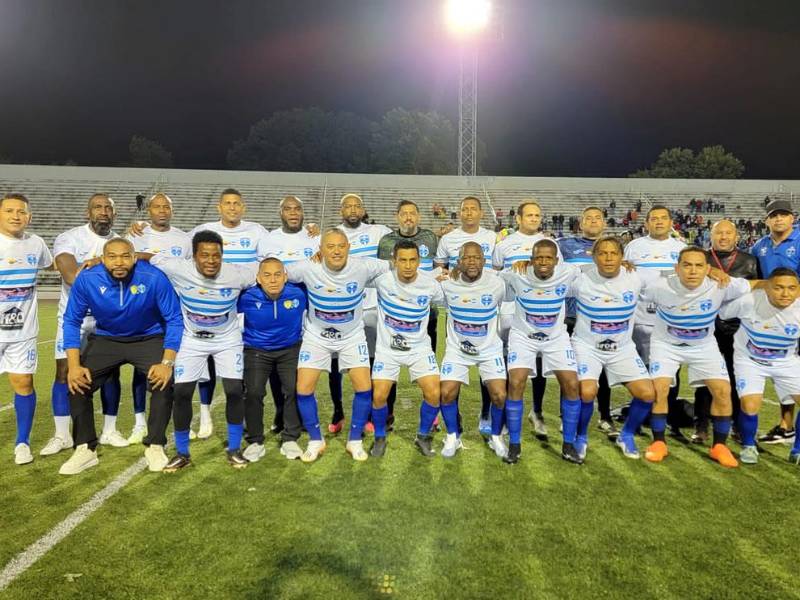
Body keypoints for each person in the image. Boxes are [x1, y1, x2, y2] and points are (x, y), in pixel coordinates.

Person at [59, 238, 183, 475]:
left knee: (164, 382)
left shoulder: (154, 277)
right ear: (102, 259)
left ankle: (155, 445)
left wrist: (167, 363)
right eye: (112, 257)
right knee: (77, 382)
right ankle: (85, 448)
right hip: (107, 338)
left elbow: (174, 319)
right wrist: (74, 366)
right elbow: (71, 320)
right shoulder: (87, 279)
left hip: (148, 337)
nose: (119, 262)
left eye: (125, 256)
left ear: (134, 258)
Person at [142, 230, 257, 471]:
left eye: (216, 255)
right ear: (194, 256)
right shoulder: (178, 268)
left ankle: (234, 449)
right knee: (182, 393)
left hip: (227, 339)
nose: (211, 260)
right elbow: (146, 256)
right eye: (204, 255)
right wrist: (100, 259)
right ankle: (182, 453)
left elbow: (272, 270)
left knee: (234, 390)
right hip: (191, 339)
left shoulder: (238, 274)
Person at [644, 247, 759, 467]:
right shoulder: (659, 286)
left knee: (722, 391)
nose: (693, 271)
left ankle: (719, 447)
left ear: (708, 269)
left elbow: (754, 285)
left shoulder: (721, 284)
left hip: (703, 345)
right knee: (659, 389)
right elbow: (628, 285)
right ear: (677, 268)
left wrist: (779, 285)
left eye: (699, 266)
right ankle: (658, 443)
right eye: (687, 265)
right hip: (666, 345)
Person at [285, 228, 390, 462]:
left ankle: (354, 440)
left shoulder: (363, 265)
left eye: (341, 246)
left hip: (352, 336)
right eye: (330, 246)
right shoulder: (307, 267)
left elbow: (395, 265)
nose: (336, 251)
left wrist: (437, 272)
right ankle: (315, 440)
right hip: (317, 336)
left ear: (349, 248)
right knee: (303, 388)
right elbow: (276, 272)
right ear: (320, 249)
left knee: (364, 388)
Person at [43, 193, 125, 458]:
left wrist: (99, 261)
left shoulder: (120, 242)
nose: (103, 211)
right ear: (87, 213)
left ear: (114, 214)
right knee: (64, 370)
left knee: (111, 372)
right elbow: (71, 275)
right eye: (97, 207)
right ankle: (62, 434)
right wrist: (108, 264)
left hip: (105, 318)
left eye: (108, 208)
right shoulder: (69, 238)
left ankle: (110, 430)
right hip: (73, 317)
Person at [570, 236, 656, 460]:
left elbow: (673, 277)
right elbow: (548, 275)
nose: (608, 258)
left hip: (622, 348)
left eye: (613, 253)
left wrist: (712, 271)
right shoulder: (579, 279)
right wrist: (526, 264)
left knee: (647, 394)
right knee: (587, 392)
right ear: (593, 257)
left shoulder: (635, 276)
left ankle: (626, 435)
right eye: (602, 253)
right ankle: (581, 437)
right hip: (587, 346)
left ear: (622, 257)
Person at [503, 239, 583, 464]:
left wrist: (623, 265)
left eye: (548, 258)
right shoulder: (517, 274)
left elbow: (596, 270)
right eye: (539, 258)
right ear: (531, 260)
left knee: (572, 384)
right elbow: (490, 277)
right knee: (516, 382)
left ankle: (568, 444)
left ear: (557, 261)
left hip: (556, 337)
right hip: (523, 336)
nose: (544, 262)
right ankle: (514, 444)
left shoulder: (569, 272)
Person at [125, 192, 191, 444]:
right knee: (141, 368)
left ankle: (176, 421)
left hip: (174, 310)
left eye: (166, 207)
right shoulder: (135, 235)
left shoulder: (184, 239)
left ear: (171, 211)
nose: (162, 210)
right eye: (157, 207)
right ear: (149, 210)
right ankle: (139, 422)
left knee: (175, 366)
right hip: (143, 310)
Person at [492, 200, 560, 441]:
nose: (534, 219)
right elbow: (497, 274)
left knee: (539, 359)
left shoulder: (551, 244)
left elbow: (557, 273)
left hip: (539, 309)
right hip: (510, 309)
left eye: (537, 215)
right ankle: (507, 415)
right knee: (510, 363)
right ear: (518, 218)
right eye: (529, 215)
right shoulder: (504, 244)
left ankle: (537, 411)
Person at [719, 268, 800, 465]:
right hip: (750, 361)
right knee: (750, 405)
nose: (785, 293)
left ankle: (797, 450)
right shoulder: (749, 301)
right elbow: (723, 313)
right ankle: (748, 446)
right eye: (778, 288)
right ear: (767, 288)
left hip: (786, 361)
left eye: (791, 288)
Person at [369, 240, 443, 458]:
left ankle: (423, 436)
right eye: (403, 260)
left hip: (419, 348)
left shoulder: (431, 285)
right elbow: (353, 272)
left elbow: (452, 298)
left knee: (434, 393)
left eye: (413, 260)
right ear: (394, 261)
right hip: (387, 350)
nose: (408, 265)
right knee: (379, 395)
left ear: (419, 261)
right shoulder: (382, 280)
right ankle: (379, 438)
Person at [439, 242, 508, 461]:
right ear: (458, 261)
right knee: (446, 393)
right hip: (457, 350)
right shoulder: (447, 285)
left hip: (489, 349)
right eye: (467, 258)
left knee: (500, 395)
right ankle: (452, 436)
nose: (472, 262)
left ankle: (496, 436)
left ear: (484, 261)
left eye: (476, 257)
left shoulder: (497, 284)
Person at [692, 220, 759, 444]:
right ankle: (701, 425)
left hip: (738, 328)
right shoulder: (701, 258)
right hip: (706, 326)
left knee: (737, 376)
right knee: (704, 377)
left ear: (736, 236)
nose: (723, 237)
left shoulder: (749, 261)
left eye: (728, 233)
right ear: (710, 236)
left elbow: (756, 292)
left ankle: (737, 426)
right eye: (718, 233)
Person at [435, 196, 498, 436]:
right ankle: (455, 412)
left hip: (486, 305)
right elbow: (440, 267)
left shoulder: (492, 238)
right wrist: (448, 273)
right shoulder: (448, 239)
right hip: (459, 304)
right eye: (465, 209)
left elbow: (498, 268)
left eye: (473, 209)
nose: (469, 213)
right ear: (459, 213)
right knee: (456, 356)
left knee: (486, 359)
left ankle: (486, 411)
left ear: (481, 213)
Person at [258, 196, 320, 435]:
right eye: (288, 209)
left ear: (303, 213)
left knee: (304, 363)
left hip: (308, 306)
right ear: (280, 213)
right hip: (278, 307)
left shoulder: (315, 237)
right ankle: (280, 411)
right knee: (277, 362)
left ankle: (302, 415)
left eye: (297, 209)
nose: (293, 213)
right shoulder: (268, 239)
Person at [376, 200, 441, 428]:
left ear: (419, 216)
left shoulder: (430, 238)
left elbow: (440, 267)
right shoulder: (386, 241)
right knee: (389, 372)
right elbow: (381, 274)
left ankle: (431, 416)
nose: (408, 217)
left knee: (427, 368)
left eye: (412, 213)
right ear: (397, 217)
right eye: (404, 214)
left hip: (425, 314)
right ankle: (388, 413)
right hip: (396, 312)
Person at [0, 193, 53, 464]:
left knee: (24, 383)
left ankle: (22, 442)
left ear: (29, 217)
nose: (15, 216)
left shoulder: (36, 243)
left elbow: (53, 265)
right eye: (9, 210)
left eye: (21, 212)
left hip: (22, 332)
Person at [333, 193, 392, 434]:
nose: (353, 209)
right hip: (342, 308)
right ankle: (338, 410)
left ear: (363, 209)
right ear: (341, 211)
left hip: (373, 306)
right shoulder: (332, 235)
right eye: (348, 206)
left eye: (357, 206)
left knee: (375, 360)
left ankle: (373, 412)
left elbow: (400, 243)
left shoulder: (379, 232)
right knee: (336, 360)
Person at [238, 257, 306, 461]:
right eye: (267, 275)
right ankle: (255, 441)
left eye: (277, 274)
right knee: (254, 392)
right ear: (258, 278)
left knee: (293, 390)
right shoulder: (246, 297)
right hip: (256, 350)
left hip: (290, 349)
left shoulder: (299, 293)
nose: (273, 280)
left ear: (285, 276)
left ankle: (290, 438)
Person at [558, 206, 617, 438]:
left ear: (604, 223)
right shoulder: (564, 245)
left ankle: (605, 416)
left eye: (598, 218)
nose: (593, 221)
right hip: (572, 316)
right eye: (588, 218)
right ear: (580, 223)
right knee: (568, 370)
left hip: (602, 317)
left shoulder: (613, 248)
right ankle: (566, 416)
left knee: (603, 368)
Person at [750, 198, 800, 444]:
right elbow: (756, 279)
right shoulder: (759, 246)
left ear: (792, 218)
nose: (779, 219)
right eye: (774, 215)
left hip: (797, 310)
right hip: (775, 315)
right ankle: (786, 425)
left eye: (783, 214)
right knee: (784, 367)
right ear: (766, 220)